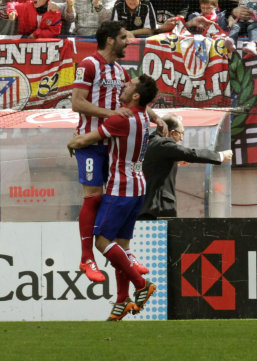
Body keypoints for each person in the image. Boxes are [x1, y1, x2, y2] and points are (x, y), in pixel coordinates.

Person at [71, 20, 166, 283]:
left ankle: (124, 259)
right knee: (93, 198)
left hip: (113, 144)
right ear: (110, 40)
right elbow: (77, 103)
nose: (129, 41)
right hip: (91, 143)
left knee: (114, 201)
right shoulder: (88, 65)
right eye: (124, 37)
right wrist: (110, 114)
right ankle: (86, 257)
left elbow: (138, 105)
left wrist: (158, 118)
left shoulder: (120, 71)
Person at [68, 74, 158, 321]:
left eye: (130, 85)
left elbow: (87, 139)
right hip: (138, 187)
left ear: (136, 96)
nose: (125, 86)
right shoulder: (142, 118)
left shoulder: (121, 119)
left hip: (120, 188)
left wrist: (73, 142)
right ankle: (121, 302)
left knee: (102, 242)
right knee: (121, 246)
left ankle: (141, 285)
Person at [138, 113, 233, 219]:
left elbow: (153, 167)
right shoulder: (163, 144)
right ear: (172, 133)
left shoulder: (148, 143)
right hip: (159, 207)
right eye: (181, 134)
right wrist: (220, 156)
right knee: (166, 235)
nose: (181, 139)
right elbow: (190, 154)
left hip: (142, 206)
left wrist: (175, 163)